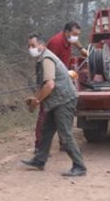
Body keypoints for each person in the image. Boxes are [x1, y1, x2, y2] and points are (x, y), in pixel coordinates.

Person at [22, 33, 87, 177]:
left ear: (42, 45)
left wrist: (36, 100)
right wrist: (36, 97)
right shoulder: (42, 58)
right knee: (46, 130)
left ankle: (79, 166)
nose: (30, 49)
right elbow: (44, 84)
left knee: (65, 134)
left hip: (64, 100)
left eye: (33, 45)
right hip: (56, 100)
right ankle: (39, 160)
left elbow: (50, 85)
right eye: (29, 46)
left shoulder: (46, 59)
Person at [37, 22, 88, 152]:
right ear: (66, 32)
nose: (76, 37)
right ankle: (39, 146)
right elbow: (48, 63)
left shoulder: (69, 39)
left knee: (64, 112)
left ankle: (64, 142)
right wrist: (61, 76)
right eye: (74, 34)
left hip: (62, 80)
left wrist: (81, 49)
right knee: (46, 113)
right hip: (51, 80)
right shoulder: (56, 42)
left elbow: (75, 41)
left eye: (78, 35)